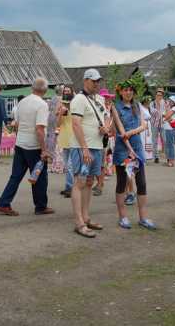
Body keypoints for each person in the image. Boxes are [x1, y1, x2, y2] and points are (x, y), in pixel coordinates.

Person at [0, 78, 54, 216]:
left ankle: (3, 203)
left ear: (32, 88)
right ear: (45, 90)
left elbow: (17, 124)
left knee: (15, 176)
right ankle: (40, 206)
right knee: (39, 177)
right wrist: (44, 149)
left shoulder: (22, 102)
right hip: (33, 146)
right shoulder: (42, 105)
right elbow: (39, 129)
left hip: (20, 143)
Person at [110, 80, 156, 230]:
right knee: (122, 183)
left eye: (131, 90)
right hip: (123, 150)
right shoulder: (115, 107)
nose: (128, 92)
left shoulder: (137, 106)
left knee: (141, 183)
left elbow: (143, 125)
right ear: (120, 92)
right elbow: (120, 131)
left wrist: (131, 133)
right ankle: (122, 216)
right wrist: (130, 149)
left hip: (137, 149)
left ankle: (143, 217)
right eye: (125, 90)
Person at [70, 69, 107, 238]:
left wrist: (106, 127)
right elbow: (76, 124)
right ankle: (79, 222)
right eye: (94, 81)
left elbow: (105, 118)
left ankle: (86, 217)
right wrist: (84, 148)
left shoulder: (99, 99)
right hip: (82, 147)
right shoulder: (78, 99)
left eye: (98, 81)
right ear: (85, 81)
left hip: (97, 146)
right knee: (80, 181)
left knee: (90, 181)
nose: (96, 84)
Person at [93, 88, 115, 196]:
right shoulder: (100, 108)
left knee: (101, 164)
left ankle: (100, 184)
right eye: (105, 97)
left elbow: (110, 124)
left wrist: (107, 130)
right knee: (97, 163)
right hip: (98, 138)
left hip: (105, 139)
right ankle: (99, 183)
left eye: (108, 97)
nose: (107, 99)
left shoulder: (109, 109)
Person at [57, 86, 75, 197]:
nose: (66, 92)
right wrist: (60, 112)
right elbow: (58, 124)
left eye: (68, 91)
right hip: (64, 138)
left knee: (70, 165)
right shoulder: (62, 105)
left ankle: (71, 188)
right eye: (65, 91)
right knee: (66, 165)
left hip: (74, 138)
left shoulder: (76, 105)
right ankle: (69, 186)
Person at [149, 88, 167, 163]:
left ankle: (167, 156)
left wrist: (163, 113)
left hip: (163, 123)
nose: (159, 96)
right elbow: (152, 112)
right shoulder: (152, 103)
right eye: (157, 95)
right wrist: (158, 108)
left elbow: (167, 112)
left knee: (165, 140)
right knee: (154, 140)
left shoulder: (165, 103)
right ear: (155, 95)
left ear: (162, 96)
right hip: (154, 124)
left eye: (160, 95)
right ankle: (156, 156)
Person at [163, 95, 175, 167]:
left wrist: (167, 114)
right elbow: (163, 115)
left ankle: (171, 160)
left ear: (174, 102)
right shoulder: (170, 108)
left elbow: (166, 116)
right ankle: (168, 159)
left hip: (171, 129)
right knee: (167, 145)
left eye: (170, 101)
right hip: (167, 128)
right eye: (169, 100)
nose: (169, 102)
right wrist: (167, 116)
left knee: (170, 145)